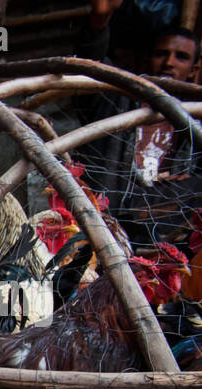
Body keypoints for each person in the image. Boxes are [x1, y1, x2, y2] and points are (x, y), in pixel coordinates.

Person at [74, 0, 201, 245]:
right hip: (101, 227)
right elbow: (87, 68)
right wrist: (99, 21)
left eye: (181, 57)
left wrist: (188, 185)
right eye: (161, 54)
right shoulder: (114, 103)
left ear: (194, 71)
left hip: (163, 240)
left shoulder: (196, 125)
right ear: (146, 61)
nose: (169, 63)